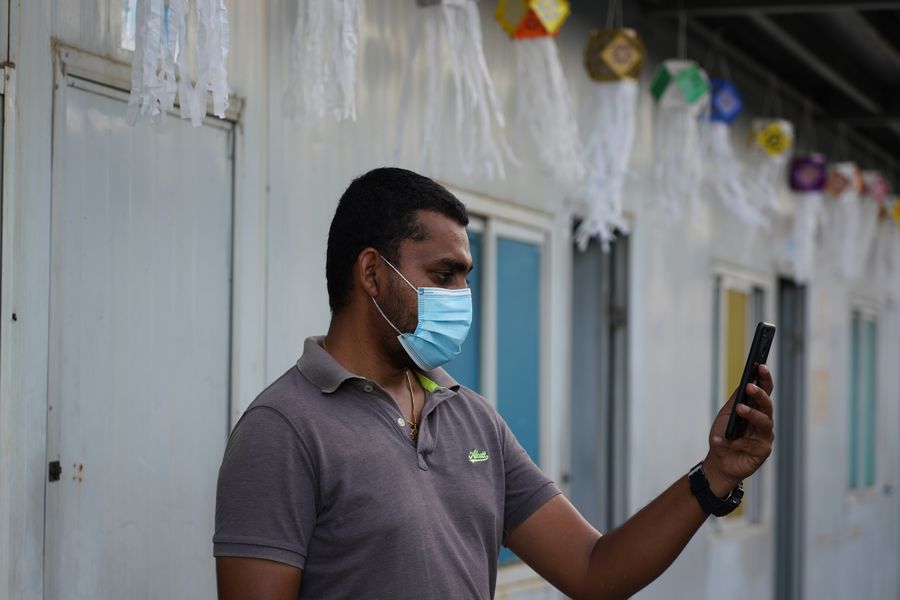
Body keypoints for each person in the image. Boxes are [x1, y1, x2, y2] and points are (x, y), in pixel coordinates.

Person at [213, 167, 775, 600]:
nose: (461, 296)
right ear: (372, 273)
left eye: (465, 276)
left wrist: (715, 475)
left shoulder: (471, 418)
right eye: (443, 274)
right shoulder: (283, 430)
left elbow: (594, 570)